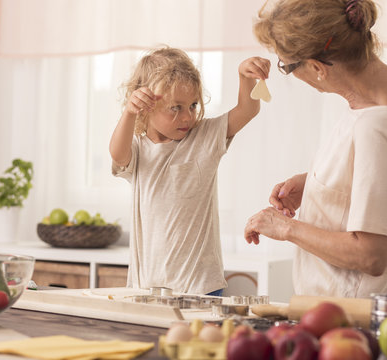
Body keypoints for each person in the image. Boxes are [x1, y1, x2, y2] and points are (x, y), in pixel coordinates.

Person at [244, 0, 387, 298]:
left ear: (318, 67)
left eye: (287, 66)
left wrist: (285, 228)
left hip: (350, 322)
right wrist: (315, 187)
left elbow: (372, 255)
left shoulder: (375, 126)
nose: (289, 75)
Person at [110, 47, 270, 296]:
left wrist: (244, 77)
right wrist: (129, 113)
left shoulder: (205, 137)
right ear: (146, 107)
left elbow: (248, 110)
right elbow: (117, 154)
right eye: (175, 108)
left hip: (201, 284)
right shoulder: (139, 149)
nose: (187, 117)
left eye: (193, 105)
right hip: (148, 286)